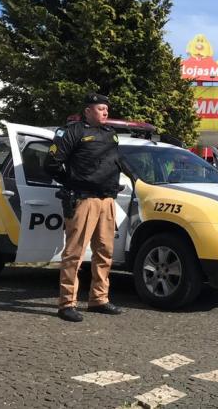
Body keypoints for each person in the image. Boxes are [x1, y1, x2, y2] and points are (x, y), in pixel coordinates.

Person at [44, 93, 127, 322]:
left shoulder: (111, 134)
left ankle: (98, 299)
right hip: (83, 200)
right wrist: (71, 182)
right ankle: (67, 303)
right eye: (101, 108)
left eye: (107, 109)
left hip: (107, 200)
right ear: (88, 110)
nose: (105, 112)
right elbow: (51, 164)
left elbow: (116, 162)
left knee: (104, 252)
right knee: (75, 254)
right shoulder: (73, 131)